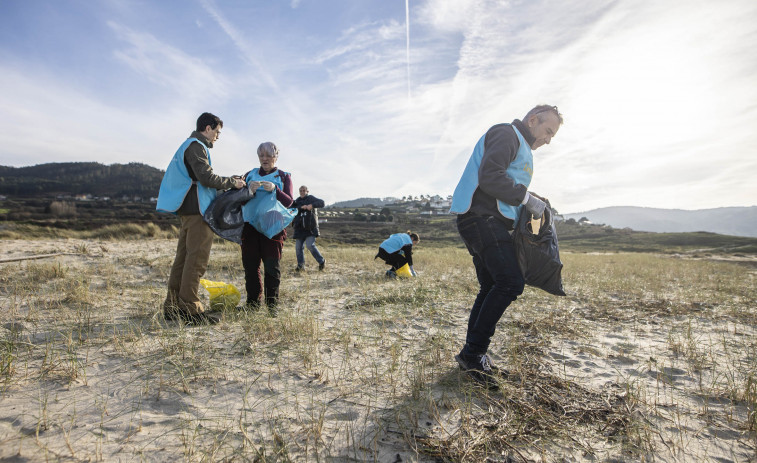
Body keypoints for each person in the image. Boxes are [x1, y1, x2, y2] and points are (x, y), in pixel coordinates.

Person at [449, 104, 563, 388]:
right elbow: (490, 176)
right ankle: (474, 354)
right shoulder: (507, 133)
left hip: (486, 220)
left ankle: (471, 354)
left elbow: (508, 183)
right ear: (533, 119)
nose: (548, 139)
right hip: (481, 218)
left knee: (490, 286)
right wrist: (527, 198)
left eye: (553, 136)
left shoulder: (521, 145)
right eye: (547, 131)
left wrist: (534, 200)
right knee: (510, 283)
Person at [157, 112, 246, 325]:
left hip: (188, 210)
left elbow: (200, 177)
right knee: (196, 259)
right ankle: (190, 309)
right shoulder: (196, 145)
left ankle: (172, 307)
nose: (217, 137)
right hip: (197, 211)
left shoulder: (188, 145)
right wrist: (232, 184)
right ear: (208, 128)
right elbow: (205, 177)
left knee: (184, 258)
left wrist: (228, 180)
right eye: (217, 132)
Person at [240, 142, 293, 315]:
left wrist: (276, 189)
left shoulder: (284, 176)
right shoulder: (249, 175)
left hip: (273, 226)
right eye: (261, 155)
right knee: (251, 266)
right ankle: (253, 304)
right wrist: (248, 190)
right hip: (250, 227)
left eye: (268, 156)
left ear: (276, 157)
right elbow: (237, 199)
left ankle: (272, 306)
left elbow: (289, 202)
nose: (264, 159)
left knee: (272, 267)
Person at [292, 185, 326, 271]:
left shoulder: (311, 198)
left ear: (307, 191)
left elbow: (322, 203)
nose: (302, 192)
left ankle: (321, 261)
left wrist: (312, 205)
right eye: (300, 191)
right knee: (298, 248)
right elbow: (291, 208)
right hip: (299, 229)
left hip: (310, 228)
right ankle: (301, 266)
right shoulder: (297, 201)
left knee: (310, 245)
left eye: (304, 190)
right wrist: (300, 207)